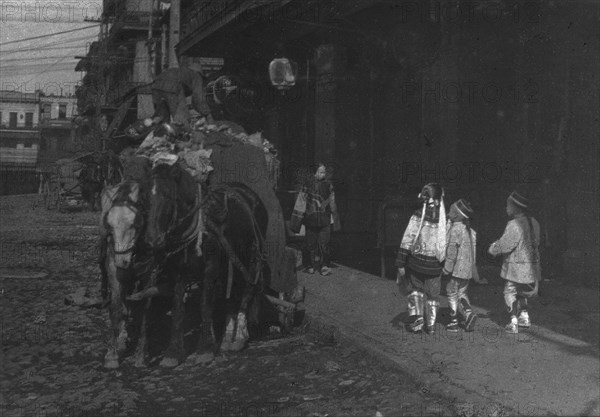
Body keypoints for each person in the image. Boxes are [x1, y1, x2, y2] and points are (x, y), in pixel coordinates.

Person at [396, 183, 447, 334]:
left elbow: (408, 238)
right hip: (435, 266)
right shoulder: (445, 220)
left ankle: (416, 323)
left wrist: (400, 261)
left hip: (416, 263)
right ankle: (430, 326)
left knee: (416, 290)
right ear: (439, 199)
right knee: (433, 295)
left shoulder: (418, 215)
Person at [488, 191, 541, 334]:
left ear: (516, 208)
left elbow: (506, 244)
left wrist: (493, 249)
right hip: (531, 266)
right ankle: (524, 316)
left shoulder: (514, 224)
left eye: (508, 205)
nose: (506, 208)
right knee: (523, 292)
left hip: (515, 267)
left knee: (510, 291)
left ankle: (513, 321)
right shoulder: (534, 222)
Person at [443, 198, 479, 332]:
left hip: (456, 269)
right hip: (467, 269)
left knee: (451, 292)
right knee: (462, 293)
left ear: (457, 215)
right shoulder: (470, 231)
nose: (448, 212)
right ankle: (469, 313)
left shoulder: (455, 230)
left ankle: (453, 321)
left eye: (451, 211)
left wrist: (447, 268)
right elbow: (473, 254)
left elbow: (452, 251)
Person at [298, 163, 341, 276]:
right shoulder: (307, 185)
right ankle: (309, 265)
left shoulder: (328, 185)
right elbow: (301, 201)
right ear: (314, 173)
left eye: (324, 172)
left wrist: (334, 218)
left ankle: (324, 265)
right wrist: (298, 220)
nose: (323, 174)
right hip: (311, 219)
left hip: (324, 218)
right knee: (310, 243)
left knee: (324, 243)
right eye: (321, 172)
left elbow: (332, 201)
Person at [151, 63, 212, 129]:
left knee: (161, 117)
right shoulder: (196, 75)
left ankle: (156, 134)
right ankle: (183, 135)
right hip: (172, 86)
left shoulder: (180, 71)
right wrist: (207, 114)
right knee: (181, 120)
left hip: (155, 86)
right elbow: (198, 99)